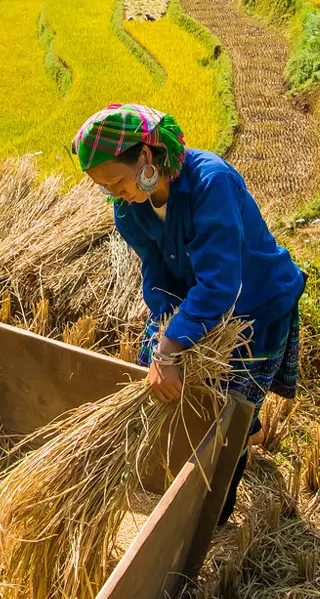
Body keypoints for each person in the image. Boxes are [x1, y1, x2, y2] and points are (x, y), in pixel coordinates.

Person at [73, 103, 307, 523]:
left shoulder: (209, 181)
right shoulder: (130, 210)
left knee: (231, 405)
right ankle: (181, 469)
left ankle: (215, 505)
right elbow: (156, 275)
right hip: (196, 304)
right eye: (104, 187)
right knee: (156, 379)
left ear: (146, 156)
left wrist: (170, 349)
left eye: (117, 180)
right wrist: (163, 333)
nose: (115, 193)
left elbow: (221, 285)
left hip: (252, 304)